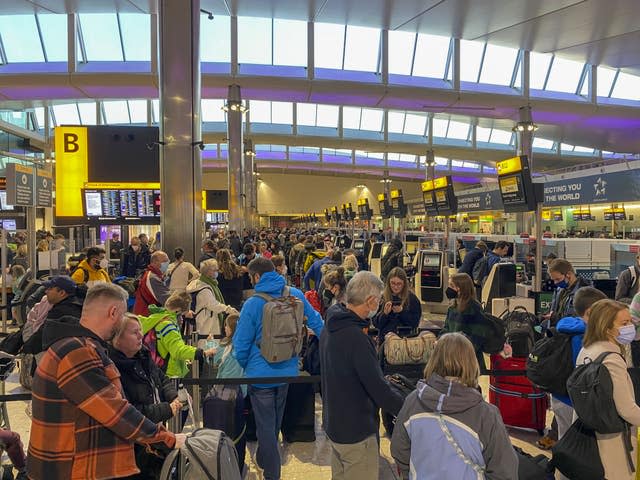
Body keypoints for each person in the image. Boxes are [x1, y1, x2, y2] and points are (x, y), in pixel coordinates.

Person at [27, 283, 184, 480]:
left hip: (73, 464)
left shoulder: (73, 345)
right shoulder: (79, 352)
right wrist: (167, 439)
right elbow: (115, 411)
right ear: (113, 312)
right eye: (123, 314)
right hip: (70, 468)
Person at [233, 257, 324, 480]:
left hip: (260, 374)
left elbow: (241, 344)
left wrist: (248, 366)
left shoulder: (253, 304)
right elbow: (317, 322)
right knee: (274, 421)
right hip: (288, 371)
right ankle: (266, 458)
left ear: (256, 277)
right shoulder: (294, 294)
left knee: (265, 426)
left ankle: (272, 473)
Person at [390, 333, 518, 479]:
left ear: (434, 360)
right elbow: (504, 471)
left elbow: (399, 451)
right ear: (471, 362)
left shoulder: (413, 401)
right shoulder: (486, 414)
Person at [320, 271, 404, 480]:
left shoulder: (331, 325)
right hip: (357, 430)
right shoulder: (356, 338)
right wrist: (407, 409)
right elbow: (378, 388)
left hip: (336, 424)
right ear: (371, 301)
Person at [109, 314, 181, 480]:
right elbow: (129, 413)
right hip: (133, 447)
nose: (141, 335)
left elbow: (161, 378)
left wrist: (172, 396)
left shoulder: (144, 355)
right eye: (134, 332)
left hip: (152, 439)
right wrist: (166, 409)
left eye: (140, 330)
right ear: (118, 338)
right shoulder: (113, 369)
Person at [576, 299, 640, 480]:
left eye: (630, 322)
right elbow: (626, 409)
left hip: (589, 434)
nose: (630, 327)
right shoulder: (611, 359)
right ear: (606, 328)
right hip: (613, 441)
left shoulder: (587, 350)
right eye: (624, 323)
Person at [551, 287, 607, 448]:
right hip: (574, 401)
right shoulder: (585, 338)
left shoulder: (568, 325)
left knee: (564, 442)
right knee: (577, 450)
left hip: (558, 395)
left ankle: (559, 472)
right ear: (590, 312)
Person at [139, 292, 216, 378]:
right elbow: (178, 350)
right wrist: (202, 353)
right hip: (169, 376)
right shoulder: (168, 326)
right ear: (178, 311)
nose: (182, 320)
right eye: (182, 315)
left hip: (159, 371)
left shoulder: (156, 320)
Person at [441, 273, 492, 371]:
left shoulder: (474, 307)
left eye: (452, 286)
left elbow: (478, 335)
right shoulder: (452, 307)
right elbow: (446, 328)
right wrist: (440, 341)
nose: (449, 289)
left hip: (468, 358)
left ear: (461, 288)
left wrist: (463, 351)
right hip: (451, 356)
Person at [186, 259, 238, 337]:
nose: (217, 272)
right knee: (209, 347)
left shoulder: (200, 283)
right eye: (215, 270)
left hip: (204, 321)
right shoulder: (204, 289)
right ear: (209, 272)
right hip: (207, 324)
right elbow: (213, 305)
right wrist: (228, 309)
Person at [374, 266, 421, 341]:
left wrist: (402, 312)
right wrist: (384, 314)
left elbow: (415, 323)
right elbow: (376, 324)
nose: (395, 287)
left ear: (404, 284)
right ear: (388, 283)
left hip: (405, 339)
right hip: (385, 338)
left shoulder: (412, 299)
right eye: (393, 283)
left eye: (399, 284)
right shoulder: (382, 298)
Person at [547, 258, 591, 326]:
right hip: (558, 330)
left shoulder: (584, 292)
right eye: (554, 280)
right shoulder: (560, 290)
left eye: (558, 279)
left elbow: (579, 320)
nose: (555, 283)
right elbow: (553, 310)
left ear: (569, 274)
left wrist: (555, 318)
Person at [133, 250, 171, 316]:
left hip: (147, 316)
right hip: (147, 318)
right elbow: (167, 299)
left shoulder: (151, 274)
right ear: (155, 262)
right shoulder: (152, 278)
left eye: (168, 261)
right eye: (164, 261)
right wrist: (183, 309)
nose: (167, 264)